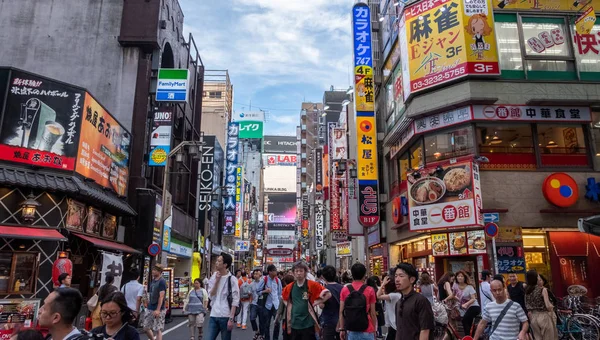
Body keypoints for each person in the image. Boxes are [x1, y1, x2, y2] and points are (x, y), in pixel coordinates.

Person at [281, 261, 328, 340]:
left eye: (301, 271)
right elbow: (283, 297)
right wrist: (290, 306)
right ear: (293, 273)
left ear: (305, 272)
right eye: (296, 271)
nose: (299, 273)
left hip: (308, 324)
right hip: (294, 323)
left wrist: (316, 302)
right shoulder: (290, 287)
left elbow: (328, 294)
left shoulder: (312, 285)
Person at [394, 263, 434, 340]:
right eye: (396, 276)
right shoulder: (399, 302)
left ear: (412, 279)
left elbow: (425, 330)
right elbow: (399, 329)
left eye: (401, 276)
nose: (397, 279)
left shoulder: (421, 301)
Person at [338, 263, 377, 340]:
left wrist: (342, 329)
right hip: (367, 329)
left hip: (351, 329)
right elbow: (373, 313)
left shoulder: (345, 290)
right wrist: (374, 330)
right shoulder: (370, 290)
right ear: (364, 275)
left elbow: (341, 312)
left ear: (352, 275)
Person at [206, 253, 239, 340]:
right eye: (217, 260)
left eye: (219, 261)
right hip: (214, 314)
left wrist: (231, 319)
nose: (216, 263)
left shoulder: (232, 279)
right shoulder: (214, 276)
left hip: (226, 315)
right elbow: (211, 294)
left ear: (225, 265)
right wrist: (217, 281)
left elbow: (235, 300)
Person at [525, 270, 557, 340]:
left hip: (533, 317)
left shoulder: (527, 291)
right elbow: (548, 306)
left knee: (538, 338)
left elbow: (527, 305)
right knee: (548, 337)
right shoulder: (542, 290)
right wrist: (552, 308)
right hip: (543, 316)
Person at [257, 264, 283, 340]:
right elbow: (257, 291)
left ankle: (275, 338)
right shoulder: (264, 279)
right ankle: (267, 338)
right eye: (274, 270)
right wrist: (265, 291)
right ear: (270, 272)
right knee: (266, 324)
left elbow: (280, 293)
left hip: (276, 305)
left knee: (277, 323)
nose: (276, 272)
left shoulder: (278, 280)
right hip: (267, 305)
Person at [143, 265, 167, 340]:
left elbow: (161, 296)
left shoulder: (162, 281)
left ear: (160, 271)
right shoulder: (153, 280)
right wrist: (146, 300)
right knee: (146, 327)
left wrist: (158, 309)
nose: (153, 271)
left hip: (159, 308)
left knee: (158, 328)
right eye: (153, 270)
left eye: (155, 270)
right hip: (150, 306)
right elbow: (150, 292)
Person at [319, 265, 343, 340]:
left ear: (323, 277)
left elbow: (321, 306)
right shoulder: (342, 287)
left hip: (328, 320)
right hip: (341, 320)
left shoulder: (324, 289)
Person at [453, 270, 480, 336]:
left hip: (474, 307)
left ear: (464, 278)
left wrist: (466, 304)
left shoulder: (469, 287)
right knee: (468, 323)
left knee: (465, 320)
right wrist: (446, 300)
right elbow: (453, 295)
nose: (460, 277)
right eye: (458, 276)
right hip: (464, 308)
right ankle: (471, 336)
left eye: (461, 276)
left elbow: (473, 299)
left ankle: (467, 337)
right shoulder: (455, 286)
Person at [376, 273, 401, 340]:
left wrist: (383, 284)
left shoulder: (393, 295)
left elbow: (378, 296)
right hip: (395, 324)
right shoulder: (396, 295)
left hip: (394, 325)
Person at [275, 274, 296, 340]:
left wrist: (276, 320)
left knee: (286, 335)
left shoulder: (284, 292)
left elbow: (280, 309)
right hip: (296, 317)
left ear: (285, 282)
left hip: (286, 317)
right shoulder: (297, 291)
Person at [249, 269, 263, 336]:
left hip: (261, 303)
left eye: (257, 274)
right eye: (254, 274)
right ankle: (256, 330)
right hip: (254, 303)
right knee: (252, 318)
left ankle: (261, 333)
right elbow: (249, 293)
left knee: (261, 320)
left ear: (260, 275)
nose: (255, 275)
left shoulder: (263, 283)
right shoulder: (251, 284)